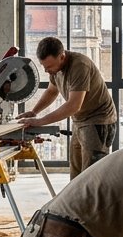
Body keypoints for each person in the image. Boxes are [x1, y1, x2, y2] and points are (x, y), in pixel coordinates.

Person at [19, 36, 117, 179]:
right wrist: (34, 112)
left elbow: (73, 105)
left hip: (98, 120)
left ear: (62, 56)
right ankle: (76, 201)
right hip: (80, 120)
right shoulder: (55, 69)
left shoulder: (79, 66)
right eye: (44, 67)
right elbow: (52, 91)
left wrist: (40, 122)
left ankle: (92, 201)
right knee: (76, 172)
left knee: (92, 175)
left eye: (49, 66)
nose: (47, 71)